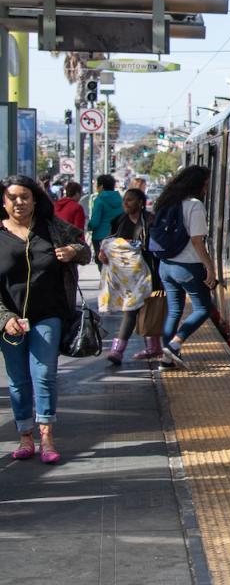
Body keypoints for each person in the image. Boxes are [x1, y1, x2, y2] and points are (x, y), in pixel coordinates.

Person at [0, 175, 90, 464]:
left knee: (44, 375)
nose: (19, 202)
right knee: (17, 380)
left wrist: (74, 251)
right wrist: (4, 317)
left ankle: (47, 436)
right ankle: (25, 436)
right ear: (3, 201)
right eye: (12, 197)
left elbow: (85, 250)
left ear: (35, 199)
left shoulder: (52, 227)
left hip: (48, 315)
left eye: (25, 196)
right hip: (9, 321)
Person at [153, 165, 216, 370]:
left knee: (174, 311)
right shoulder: (195, 205)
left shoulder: (167, 201)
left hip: (165, 266)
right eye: (205, 184)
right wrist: (209, 267)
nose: (206, 189)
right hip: (187, 267)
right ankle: (175, 344)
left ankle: (166, 360)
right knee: (203, 308)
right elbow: (197, 241)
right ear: (197, 184)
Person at [100, 188, 162, 364]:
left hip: (151, 272)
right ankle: (129, 349)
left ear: (141, 202)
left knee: (146, 309)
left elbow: (158, 246)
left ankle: (141, 348)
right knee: (131, 309)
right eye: (125, 200)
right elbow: (110, 242)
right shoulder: (119, 221)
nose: (126, 203)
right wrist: (104, 252)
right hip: (128, 276)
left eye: (130, 200)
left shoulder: (151, 220)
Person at [87, 174, 123, 269]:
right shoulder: (121, 199)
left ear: (101, 186)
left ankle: (105, 283)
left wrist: (88, 226)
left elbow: (95, 222)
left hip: (100, 237)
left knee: (102, 265)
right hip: (117, 236)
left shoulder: (99, 200)